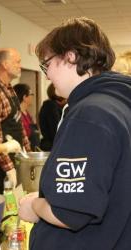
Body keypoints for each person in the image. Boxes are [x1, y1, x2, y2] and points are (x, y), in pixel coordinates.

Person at [18, 17, 131, 250]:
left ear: (70, 56)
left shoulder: (90, 115)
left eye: (46, 64)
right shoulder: (119, 103)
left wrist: (34, 206)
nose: (47, 75)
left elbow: (70, 212)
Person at [0, 48, 29, 194]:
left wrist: (28, 154)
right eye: (17, 62)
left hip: (15, 158)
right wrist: (8, 167)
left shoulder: (10, 89)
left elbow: (18, 124)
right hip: (1, 167)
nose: (20, 65)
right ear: (5, 64)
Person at [38, 83, 66, 151]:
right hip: (52, 146)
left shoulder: (52, 105)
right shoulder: (51, 106)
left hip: (53, 144)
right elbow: (56, 129)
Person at [13, 83, 40, 151]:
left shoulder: (27, 113)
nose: (32, 97)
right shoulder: (17, 115)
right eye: (31, 94)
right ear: (24, 97)